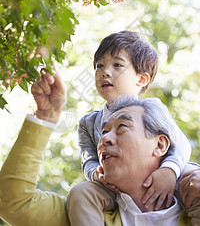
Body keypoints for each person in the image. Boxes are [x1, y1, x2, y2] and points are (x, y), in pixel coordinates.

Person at [0, 70, 195, 225]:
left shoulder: (193, 203)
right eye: (104, 131)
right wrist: (45, 116)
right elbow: (13, 202)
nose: (105, 139)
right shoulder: (83, 214)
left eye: (122, 127)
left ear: (160, 144)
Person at [67, 30, 191, 225]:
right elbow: (88, 159)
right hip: (112, 188)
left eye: (117, 65)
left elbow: (180, 145)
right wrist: (96, 174)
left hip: (161, 179)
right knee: (82, 192)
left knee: (193, 177)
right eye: (99, 65)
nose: (104, 71)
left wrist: (169, 171)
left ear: (141, 79)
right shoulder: (88, 123)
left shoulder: (152, 109)